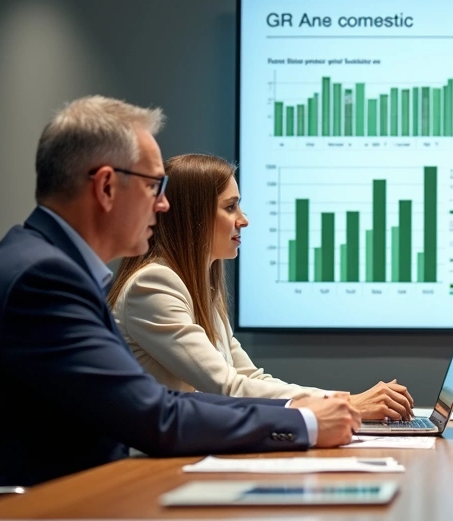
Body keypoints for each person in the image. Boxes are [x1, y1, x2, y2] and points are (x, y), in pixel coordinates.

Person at [0, 97, 361, 491]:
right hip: (27, 518)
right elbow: (154, 414)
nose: (164, 205)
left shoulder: (52, 266)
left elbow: (160, 403)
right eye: (154, 186)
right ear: (105, 187)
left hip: (71, 500)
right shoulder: (42, 279)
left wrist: (304, 414)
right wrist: (301, 421)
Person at [107, 153, 416, 420]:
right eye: (230, 207)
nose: (244, 220)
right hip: (148, 467)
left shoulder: (198, 288)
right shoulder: (153, 284)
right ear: (194, 217)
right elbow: (227, 388)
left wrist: (344, 403)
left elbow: (249, 377)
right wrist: (350, 404)